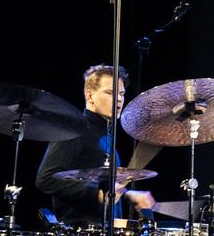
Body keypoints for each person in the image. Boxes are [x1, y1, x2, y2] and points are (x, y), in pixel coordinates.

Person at [36, 64, 155, 224]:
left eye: (121, 94)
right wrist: (95, 194)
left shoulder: (105, 134)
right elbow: (46, 179)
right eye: (110, 93)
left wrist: (127, 194)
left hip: (105, 234)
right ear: (90, 95)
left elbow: (101, 185)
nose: (119, 99)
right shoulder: (76, 129)